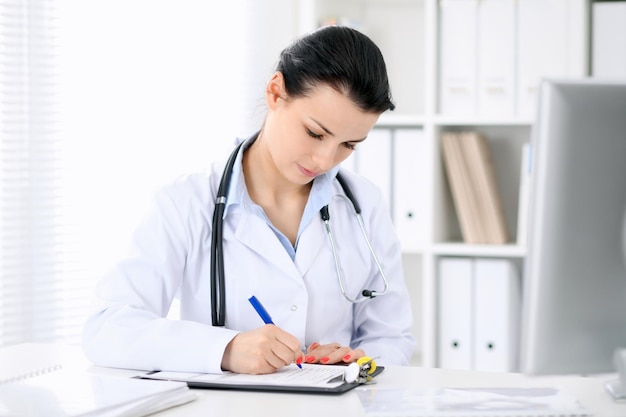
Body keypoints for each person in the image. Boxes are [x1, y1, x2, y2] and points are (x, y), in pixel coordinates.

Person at [82, 25, 415, 375]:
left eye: (348, 145)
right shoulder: (187, 203)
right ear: (275, 92)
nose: (324, 161)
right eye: (315, 133)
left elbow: (392, 338)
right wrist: (225, 349)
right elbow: (107, 328)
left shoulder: (363, 204)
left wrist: (356, 360)